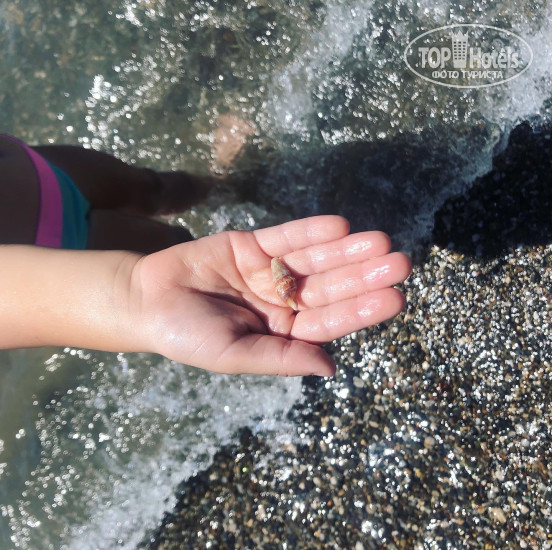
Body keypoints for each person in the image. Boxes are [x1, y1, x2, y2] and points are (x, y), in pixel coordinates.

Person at [0, 215, 411, 376]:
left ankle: (208, 182)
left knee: (156, 198)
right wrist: (139, 296)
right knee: (154, 234)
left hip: (35, 172)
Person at [0, 133, 215, 254]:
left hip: (40, 169)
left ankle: (225, 187)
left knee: (158, 188)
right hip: (57, 246)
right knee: (180, 250)